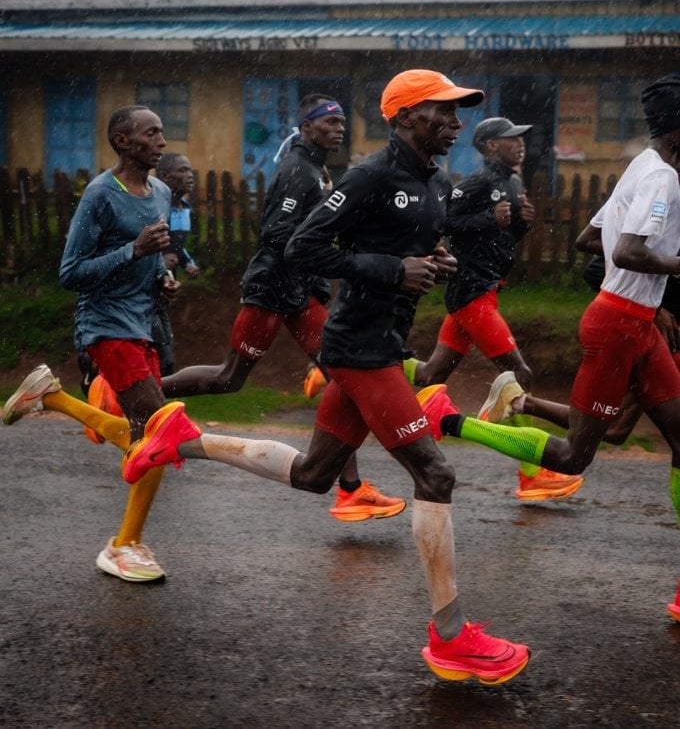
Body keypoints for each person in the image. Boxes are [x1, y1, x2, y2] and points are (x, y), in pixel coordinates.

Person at [114, 69, 531, 684]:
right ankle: (450, 637)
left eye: (458, 111)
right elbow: (300, 248)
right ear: (406, 116)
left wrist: (433, 260)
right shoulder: (369, 175)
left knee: (315, 475)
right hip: (359, 348)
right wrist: (391, 269)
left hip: (381, 341)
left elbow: (413, 245)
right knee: (436, 473)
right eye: (443, 111)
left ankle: (184, 441)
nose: (456, 122)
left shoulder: (437, 182)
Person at [414, 72, 680, 623]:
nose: (519, 144)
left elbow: (591, 239)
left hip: (637, 321)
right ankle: (450, 421)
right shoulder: (664, 182)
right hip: (614, 324)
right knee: (573, 455)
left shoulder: (644, 169)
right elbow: (627, 250)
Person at [158, 93, 404, 522]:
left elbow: (309, 234)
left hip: (299, 289)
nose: (339, 128)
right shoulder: (297, 170)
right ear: (307, 127)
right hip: (273, 286)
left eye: (343, 121)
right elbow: (278, 235)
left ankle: (350, 490)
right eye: (329, 122)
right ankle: (134, 394)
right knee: (229, 377)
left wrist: (314, 277)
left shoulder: (317, 168)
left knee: (339, 371)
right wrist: (316, 266)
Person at [3, 105, 179, 583]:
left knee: (153, 435)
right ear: (124, 142)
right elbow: (71, 273)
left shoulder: (161, 191)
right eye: (152, 133)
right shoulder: (101, 195)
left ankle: (53, 397)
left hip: (142, 323)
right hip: (104, 325)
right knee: (158, 435)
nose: (161, 141)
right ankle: (124, 545)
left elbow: (154, 258)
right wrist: (133, 250)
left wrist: (161, 275)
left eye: (163, 132)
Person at [404, 116, 583, 502]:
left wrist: (520, 225)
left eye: (521, 138)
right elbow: (446, 221)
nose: (520, 144)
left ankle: (362, 365)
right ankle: (531, 473)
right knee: (520, 372)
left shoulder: (513, 182)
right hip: (471, 292)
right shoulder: (478, 182)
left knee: (432, 372)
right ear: (488, 147)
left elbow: (502, 235)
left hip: (483, 290)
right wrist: (490, 217)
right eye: (510, 138)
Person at [151, 153, 200, 376]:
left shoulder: (186, 209)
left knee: (164, 343)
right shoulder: (154, 208)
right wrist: (161, 260)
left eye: (190, 170)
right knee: (159, 343)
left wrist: (187, 263)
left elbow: (177, 246)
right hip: (147, 285)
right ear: (164, 176)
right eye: (182, 170)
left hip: (167, 284)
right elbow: (144, 243)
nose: (190, 175)